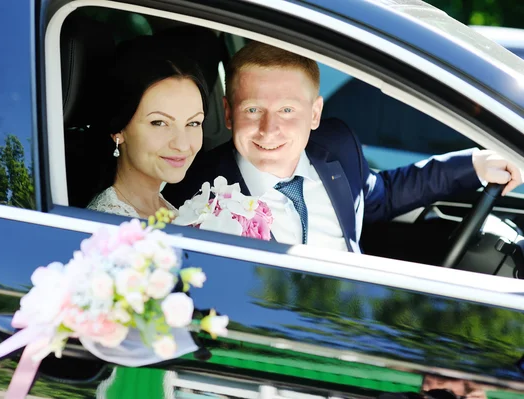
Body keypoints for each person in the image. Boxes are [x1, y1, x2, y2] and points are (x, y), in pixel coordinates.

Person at [163, 41, 523, 251]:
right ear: (228, 114)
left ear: (315, 113)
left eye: (288, 110)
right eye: (253, 109)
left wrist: (474, 165)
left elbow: (382, 194)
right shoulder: (193, 194)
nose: (269, 129)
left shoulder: (337, 148)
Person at [87, 43, 209, 218]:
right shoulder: (112, 227)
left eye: (193, 123)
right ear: (119, 129)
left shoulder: (169, 209)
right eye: (159, 123)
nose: (182, 145)